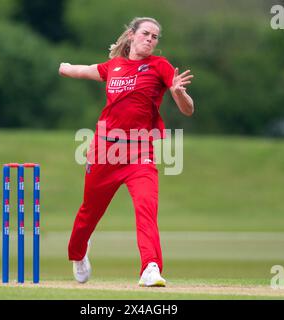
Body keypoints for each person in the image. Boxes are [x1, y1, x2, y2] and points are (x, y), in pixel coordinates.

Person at [58, 17, 194, 287]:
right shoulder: (115, 66)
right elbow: (84, 70)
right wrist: (64, 67)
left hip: (140, 151)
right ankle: (78, 254)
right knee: (89, 212)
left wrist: (178, 93)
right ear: (132, 35)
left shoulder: (160, 67)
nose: (150, 40)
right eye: (145, 33)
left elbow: (188, 109)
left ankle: (150, 268)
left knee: (146, 208)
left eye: (155, 37)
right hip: (104, 151)